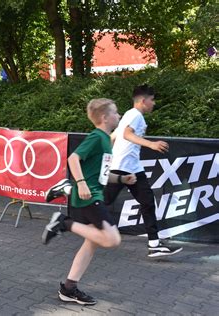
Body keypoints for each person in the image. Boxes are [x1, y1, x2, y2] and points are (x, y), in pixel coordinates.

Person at [42, 98, 137, 305]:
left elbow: (102, 175)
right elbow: (73, 159)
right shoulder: (96, 137)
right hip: (89, 196)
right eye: (116, 112)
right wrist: (82, 183)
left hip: (94, 193)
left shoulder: (104, 140)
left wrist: (121, 179)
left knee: (91, 243)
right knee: (112, 239)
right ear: (104, 117)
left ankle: (69, 288)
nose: (119, 116)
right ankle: (63, 223)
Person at [104, 84, 183, 258]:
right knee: (103, 200)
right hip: (122, 167)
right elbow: (126, 134)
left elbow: (113, 137)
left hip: (131, 167)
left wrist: (105, 158)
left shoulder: (128, 115)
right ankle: (67, 210)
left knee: (147, 202)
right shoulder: (135, 116)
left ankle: (154, 244)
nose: (153, 103)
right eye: (152, 100)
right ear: (142, 101)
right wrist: (152, 144)